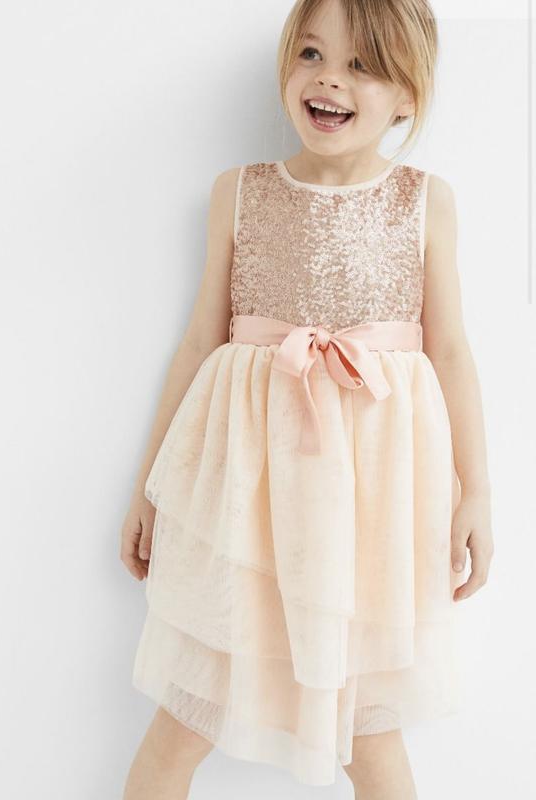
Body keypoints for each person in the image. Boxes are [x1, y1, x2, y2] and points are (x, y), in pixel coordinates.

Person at [120, 0, 494, 797]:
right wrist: (151, 487)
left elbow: (452, 352)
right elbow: (199, 341)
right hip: (246, 499)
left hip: (368, 512)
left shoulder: (425, 202)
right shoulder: (240, 193)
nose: (329, 80)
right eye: (312, 55)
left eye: (362, 65)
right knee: (181, 725)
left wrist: (477, 493)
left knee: (372, 738)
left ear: (408, 96)